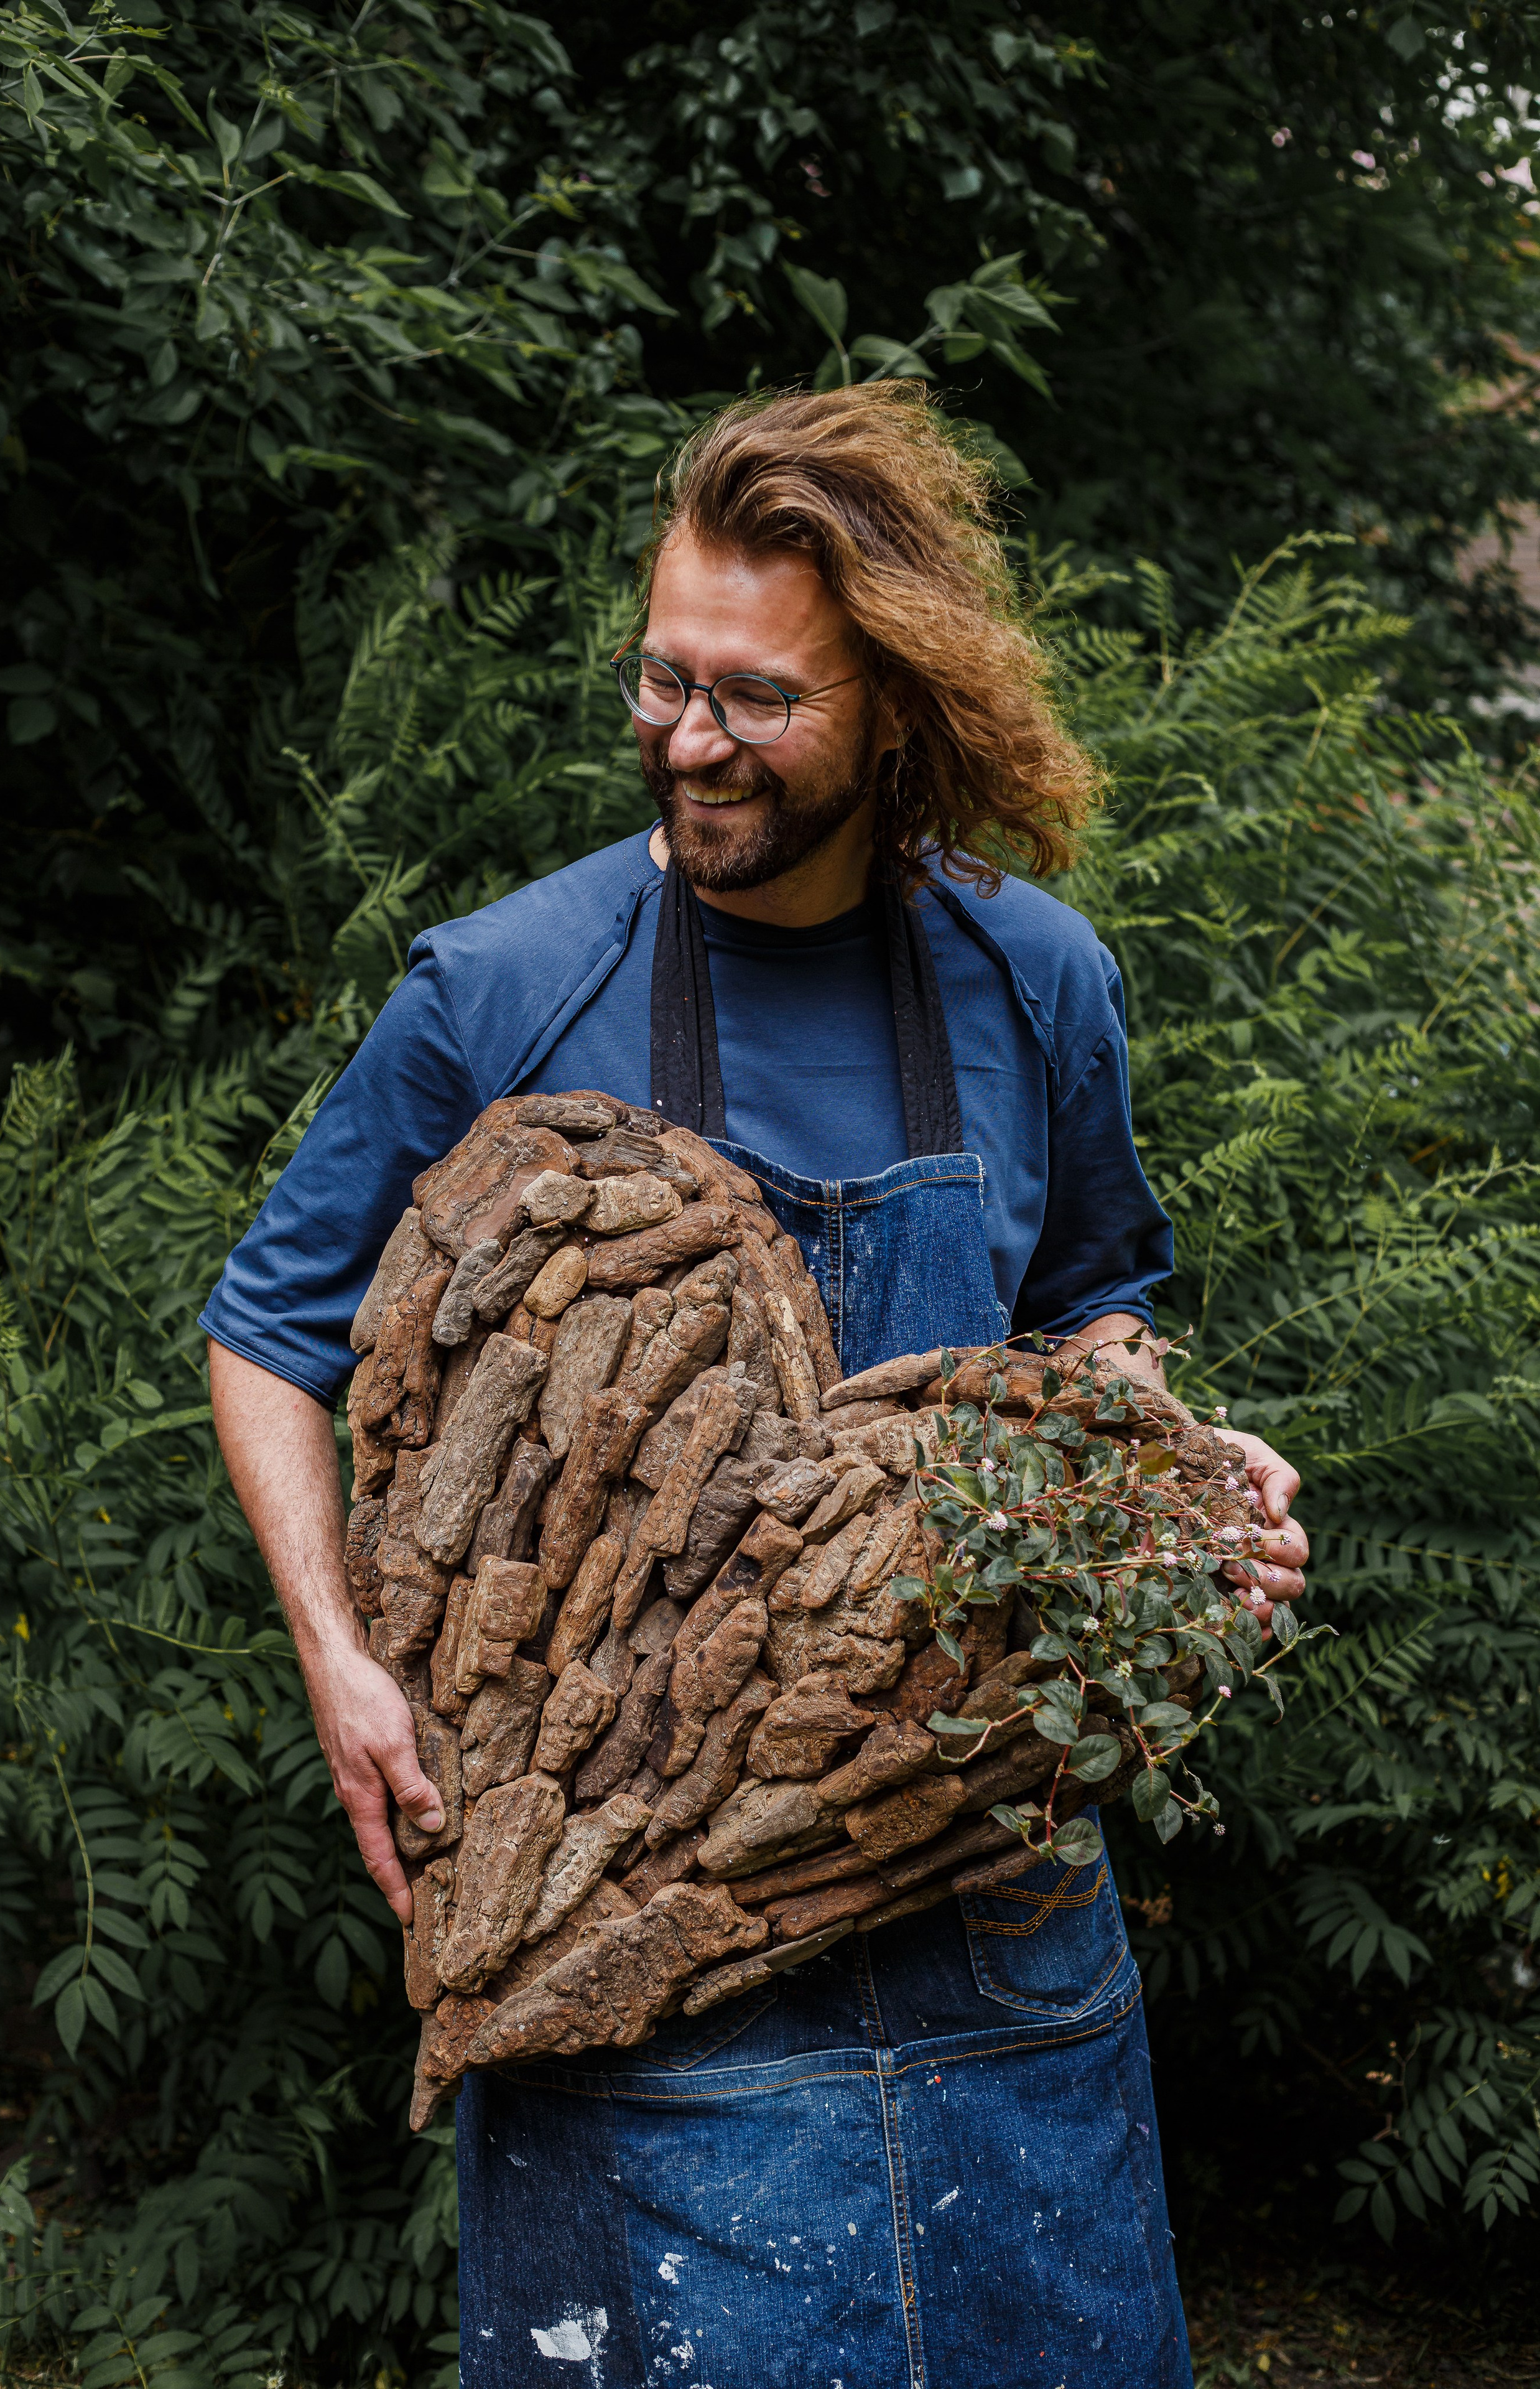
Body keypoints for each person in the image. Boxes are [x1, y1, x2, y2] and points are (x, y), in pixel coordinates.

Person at [204, 384, 1307, 2389]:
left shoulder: (1036, 976)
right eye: (665, 678)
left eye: (759, 698)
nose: (691, 738)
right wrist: (339, 1658)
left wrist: (1167, 1471)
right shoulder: (503, 987)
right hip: (645, 1954)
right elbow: (272, 1329)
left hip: (993, 1928)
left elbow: (1096, 1300)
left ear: (896, 708)